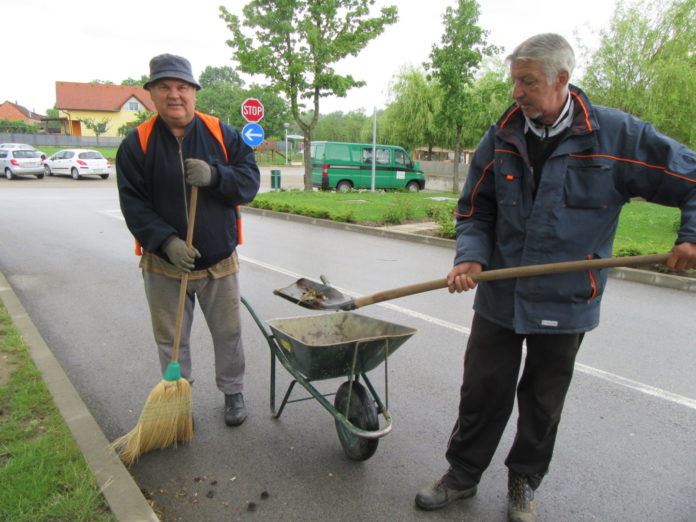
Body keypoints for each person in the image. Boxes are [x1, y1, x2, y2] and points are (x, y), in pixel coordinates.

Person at [415, 33, 696, 521]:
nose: (516, 93)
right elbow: (474, 211)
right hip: (500, 294)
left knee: (542, 405)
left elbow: (692, 178)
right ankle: (461, 475)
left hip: (567, 301)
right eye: (514, 81)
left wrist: (690, 236)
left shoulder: (617, 136)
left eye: (527, 82)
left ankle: (524, 482)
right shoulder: (501, 136)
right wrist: (470, 257)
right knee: (481, 390)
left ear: (561, 79)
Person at [116, 54, 260, 427]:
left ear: (194, 92)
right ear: (151, 94)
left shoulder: (222, 134)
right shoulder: (137, 144)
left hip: (218, 260)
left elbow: (249, 184)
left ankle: (233, 392)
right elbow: (133, 205)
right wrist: (167, 242)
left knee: (229, 334)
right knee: (171, 340)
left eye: (182, 87)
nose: (174, 94)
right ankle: (179, 400)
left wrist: (215, 176)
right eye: (164, 87)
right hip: (163, 264)